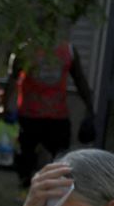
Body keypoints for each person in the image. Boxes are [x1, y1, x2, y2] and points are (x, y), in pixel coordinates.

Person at [7, 38, 95, 187]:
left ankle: (54, 192)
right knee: (25, 155)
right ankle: (25, 188)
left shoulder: (68, 50)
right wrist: (4, 106)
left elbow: (80, 80)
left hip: (57, 115)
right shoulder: (24, 49)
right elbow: (12, 78)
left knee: (61, 158)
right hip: (29, 114)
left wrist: (89, 108)